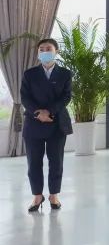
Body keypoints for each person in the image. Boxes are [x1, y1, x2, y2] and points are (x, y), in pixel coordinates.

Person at [21, 38, 73, 213]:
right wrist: (38, 113)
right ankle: (37, 196)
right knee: (33, 163)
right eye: (41, 49)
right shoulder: (29, 74)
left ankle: (53, 195)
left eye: (48, 48)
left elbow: (66, 97)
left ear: (56, 51)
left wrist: (49, 112)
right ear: (38, 53)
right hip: (33, 123)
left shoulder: (65, 74)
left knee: (56, 161)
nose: (44, 52)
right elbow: (24, 97)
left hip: (56, 123)